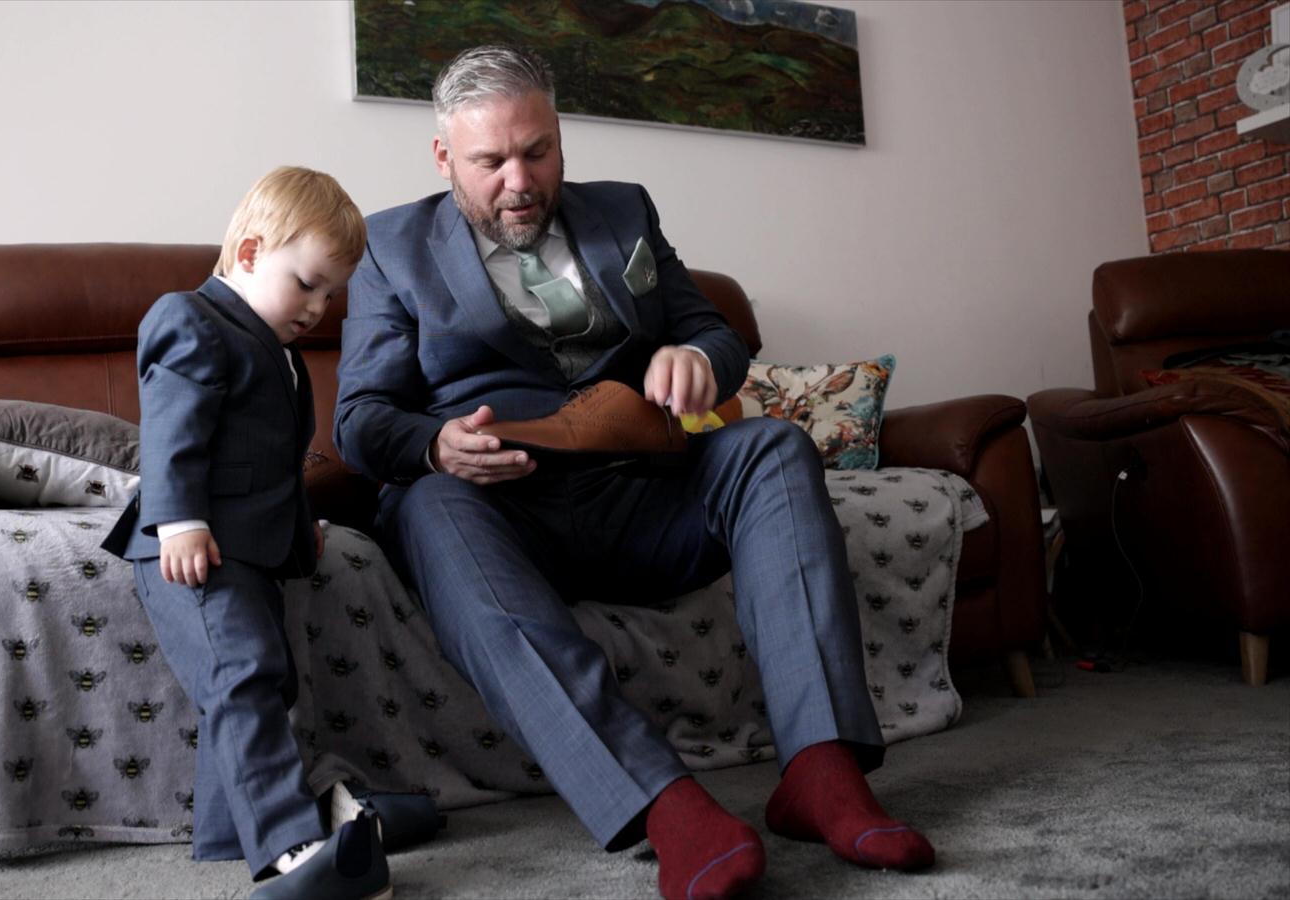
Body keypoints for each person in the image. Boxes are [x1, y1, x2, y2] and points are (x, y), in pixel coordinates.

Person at [334, 46, 934, 899]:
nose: (518, 180)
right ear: (443, 158)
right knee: (426, 504)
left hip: (645, 491)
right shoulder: (391, 248)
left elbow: (719, 334)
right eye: (490, 161)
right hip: (501, 513)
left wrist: (696, 354)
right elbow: (359, 421)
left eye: (537, 151)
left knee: (771, 447)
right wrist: (435, 447)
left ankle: (823, 772)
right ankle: (662, 801)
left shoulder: (625, 212)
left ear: (560, 137)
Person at [103, 166, 389, 900]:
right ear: (253, 251)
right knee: (243, 676)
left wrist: (302, 530)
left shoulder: (281, 353)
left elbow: (270, 465)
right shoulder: (191, 318)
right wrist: (181, 520)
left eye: (332, 294)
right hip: (190, 549)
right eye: (308, 283)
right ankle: (288, 849)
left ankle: (228, 831)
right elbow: (173, 433)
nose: (319, 307)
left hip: (247, 552)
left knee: (258, 680)